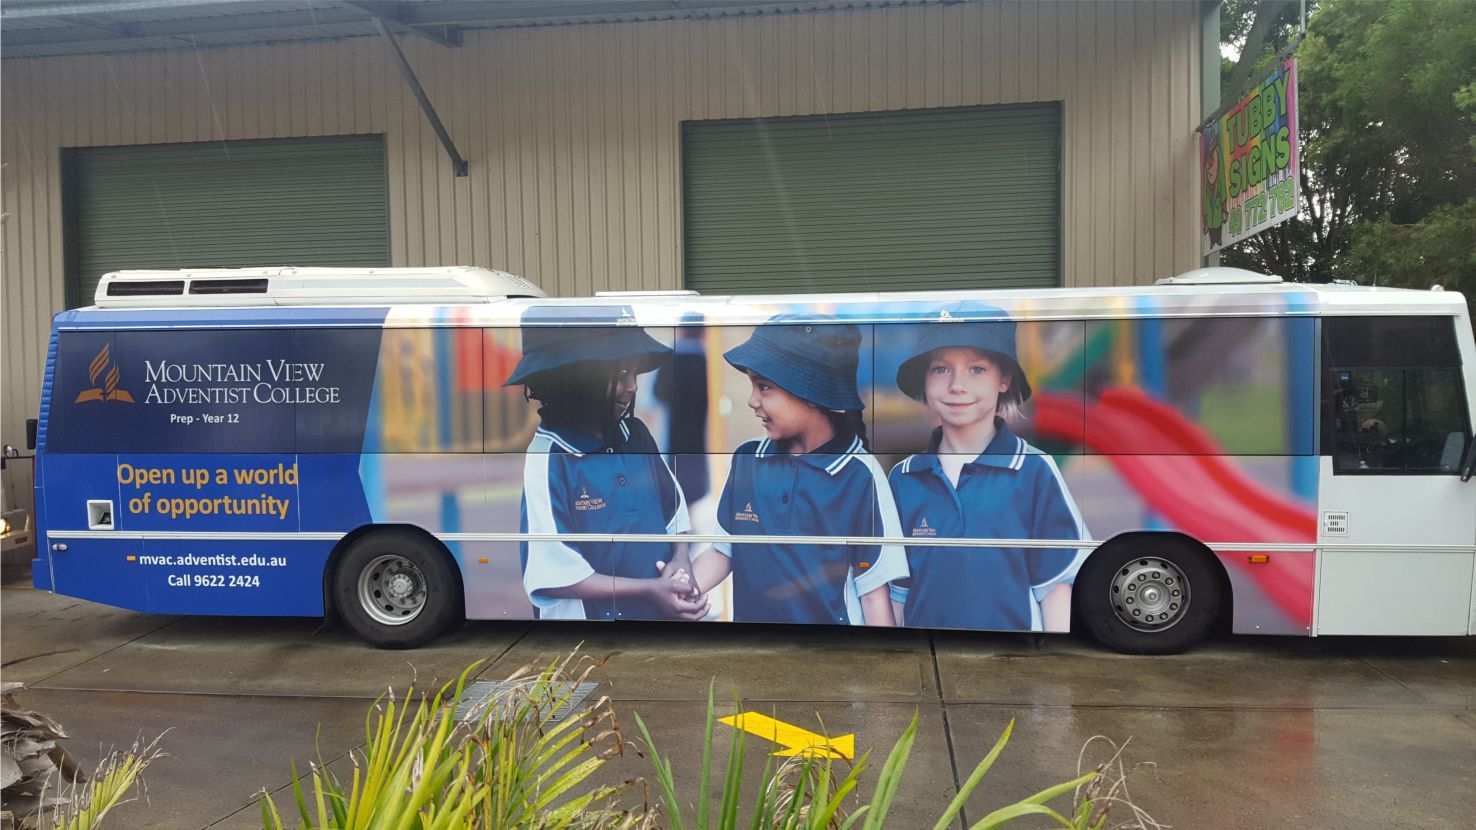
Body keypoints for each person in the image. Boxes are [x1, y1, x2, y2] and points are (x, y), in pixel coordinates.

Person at [678, 313, 907, 625]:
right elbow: (722, 552)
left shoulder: (860, 475)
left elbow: (873, 594)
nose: (751, 400)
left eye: (764, 387)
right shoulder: (747, 460)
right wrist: (681, 592)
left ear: (811, 391)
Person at [886, 303, 1087, 632]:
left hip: (1013, 660)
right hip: (925, 657)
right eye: (940, 369)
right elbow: (897, 592)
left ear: (1004, 379)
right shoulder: (903, 478)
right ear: (925, 379)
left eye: (976, 369)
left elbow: (1054, 587)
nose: (957, 385)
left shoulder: (1035, 470)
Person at [505, 305, 708, 622]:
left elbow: (675, 519)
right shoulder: (549, 457)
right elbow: (554, 572)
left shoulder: (636, 434)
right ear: (576, 381)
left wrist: (681, 562)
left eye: (634, 373)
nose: (633, 387)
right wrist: (649, 589)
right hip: (587, 647)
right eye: (621, 374)